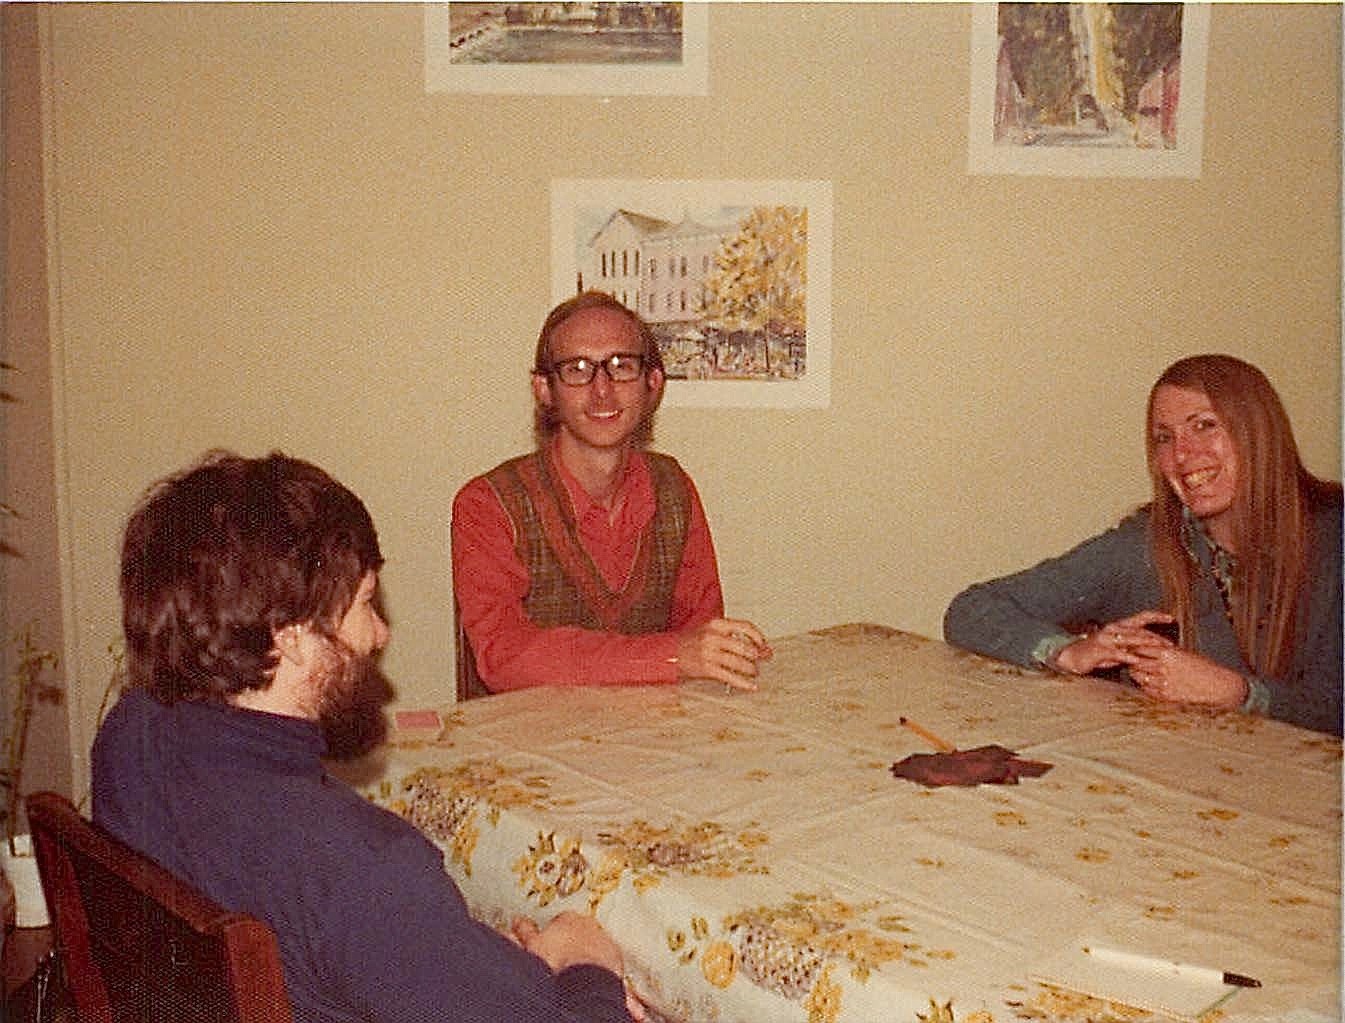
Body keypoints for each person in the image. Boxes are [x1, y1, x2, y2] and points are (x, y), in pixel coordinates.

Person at [93, 451, 642, 1023]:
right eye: (363, 604)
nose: (379, 633)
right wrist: (586, 966)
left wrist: (491, 970)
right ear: (294, 636)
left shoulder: (131, 733)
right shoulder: (365, 869)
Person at [944, 354, 1342, 736]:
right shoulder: (1143, 546)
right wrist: (1067, 652)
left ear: (1259, 433)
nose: (1182, 454)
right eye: (1164, 438)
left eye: (1204, 425)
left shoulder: (1334, 539)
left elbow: (1334, 708)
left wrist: (1237, 694)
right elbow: (972, 610)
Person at [452, 291, 771, 696]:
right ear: (544, 389)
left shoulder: (675, 488)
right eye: (578, 369)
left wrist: (704, 653)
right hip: (529, 746)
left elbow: (701, 634)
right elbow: (503, 656)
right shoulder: (487, 505)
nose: (602, 390)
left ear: (652, 384)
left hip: (653, 739)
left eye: (622, 366)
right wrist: (673, 656)